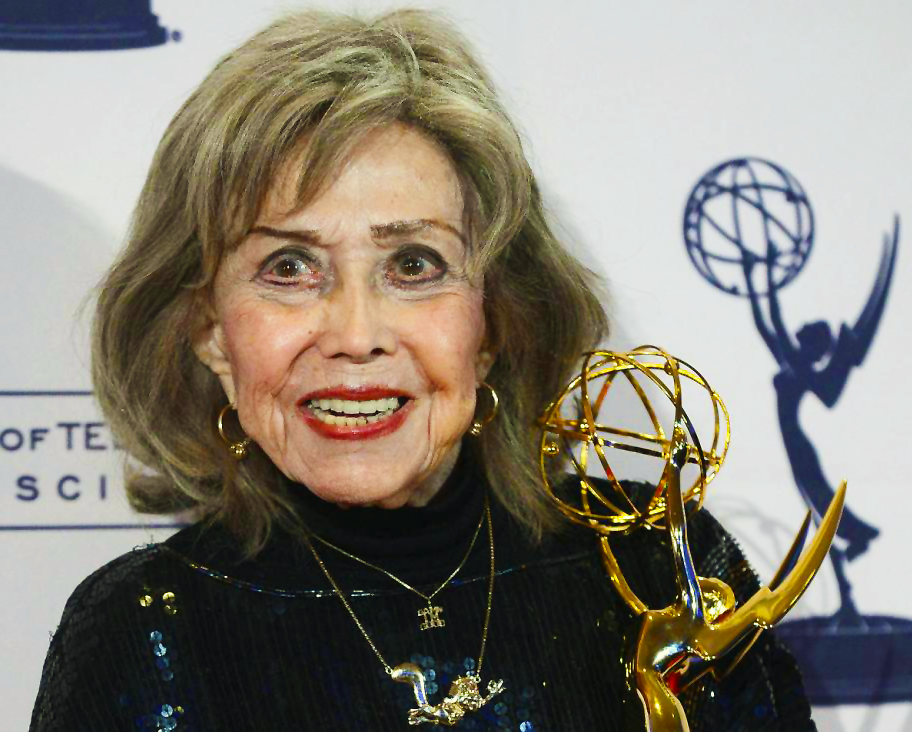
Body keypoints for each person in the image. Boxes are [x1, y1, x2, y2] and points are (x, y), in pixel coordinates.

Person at [30, 9, 814, 731]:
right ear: (207, 330)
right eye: (289, 266)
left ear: (492, 320)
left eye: (413, 263)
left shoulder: (653, 569)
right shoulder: (143, 627)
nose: (355, 334)